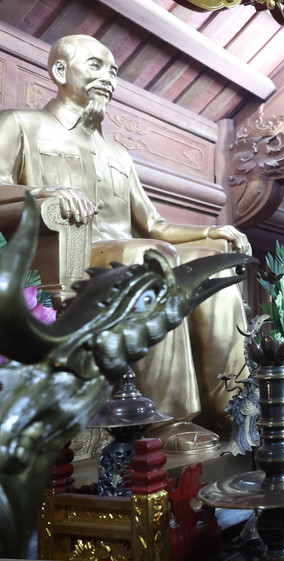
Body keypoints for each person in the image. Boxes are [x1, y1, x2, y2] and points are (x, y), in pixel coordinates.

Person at [0, 34, 251, 449]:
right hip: (62, 259)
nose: (109, 79)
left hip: (135, 252)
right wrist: (45, 194)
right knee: (150, 258)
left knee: (212, 268)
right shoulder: (21, 125)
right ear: (60, 71)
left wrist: (211, 233)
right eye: (95, 65)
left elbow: (154, 224)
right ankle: (165, 421)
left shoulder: (118, 153)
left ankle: (233, 410)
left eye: (114, 72)